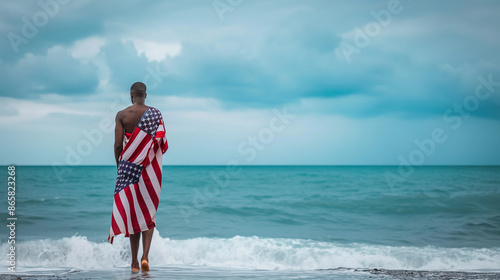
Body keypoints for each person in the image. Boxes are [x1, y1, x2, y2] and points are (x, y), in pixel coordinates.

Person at [108, 82, 168, 272]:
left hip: (128, 169)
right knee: (148, 212)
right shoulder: (156, 114)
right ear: (146, 95)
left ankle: (134, 262)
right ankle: (145, 257)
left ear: (131, 95)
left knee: (133, 213)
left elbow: (118, 146)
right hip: (150, 169)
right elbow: (161, 142)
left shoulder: (122, 115)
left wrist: (120, 166)